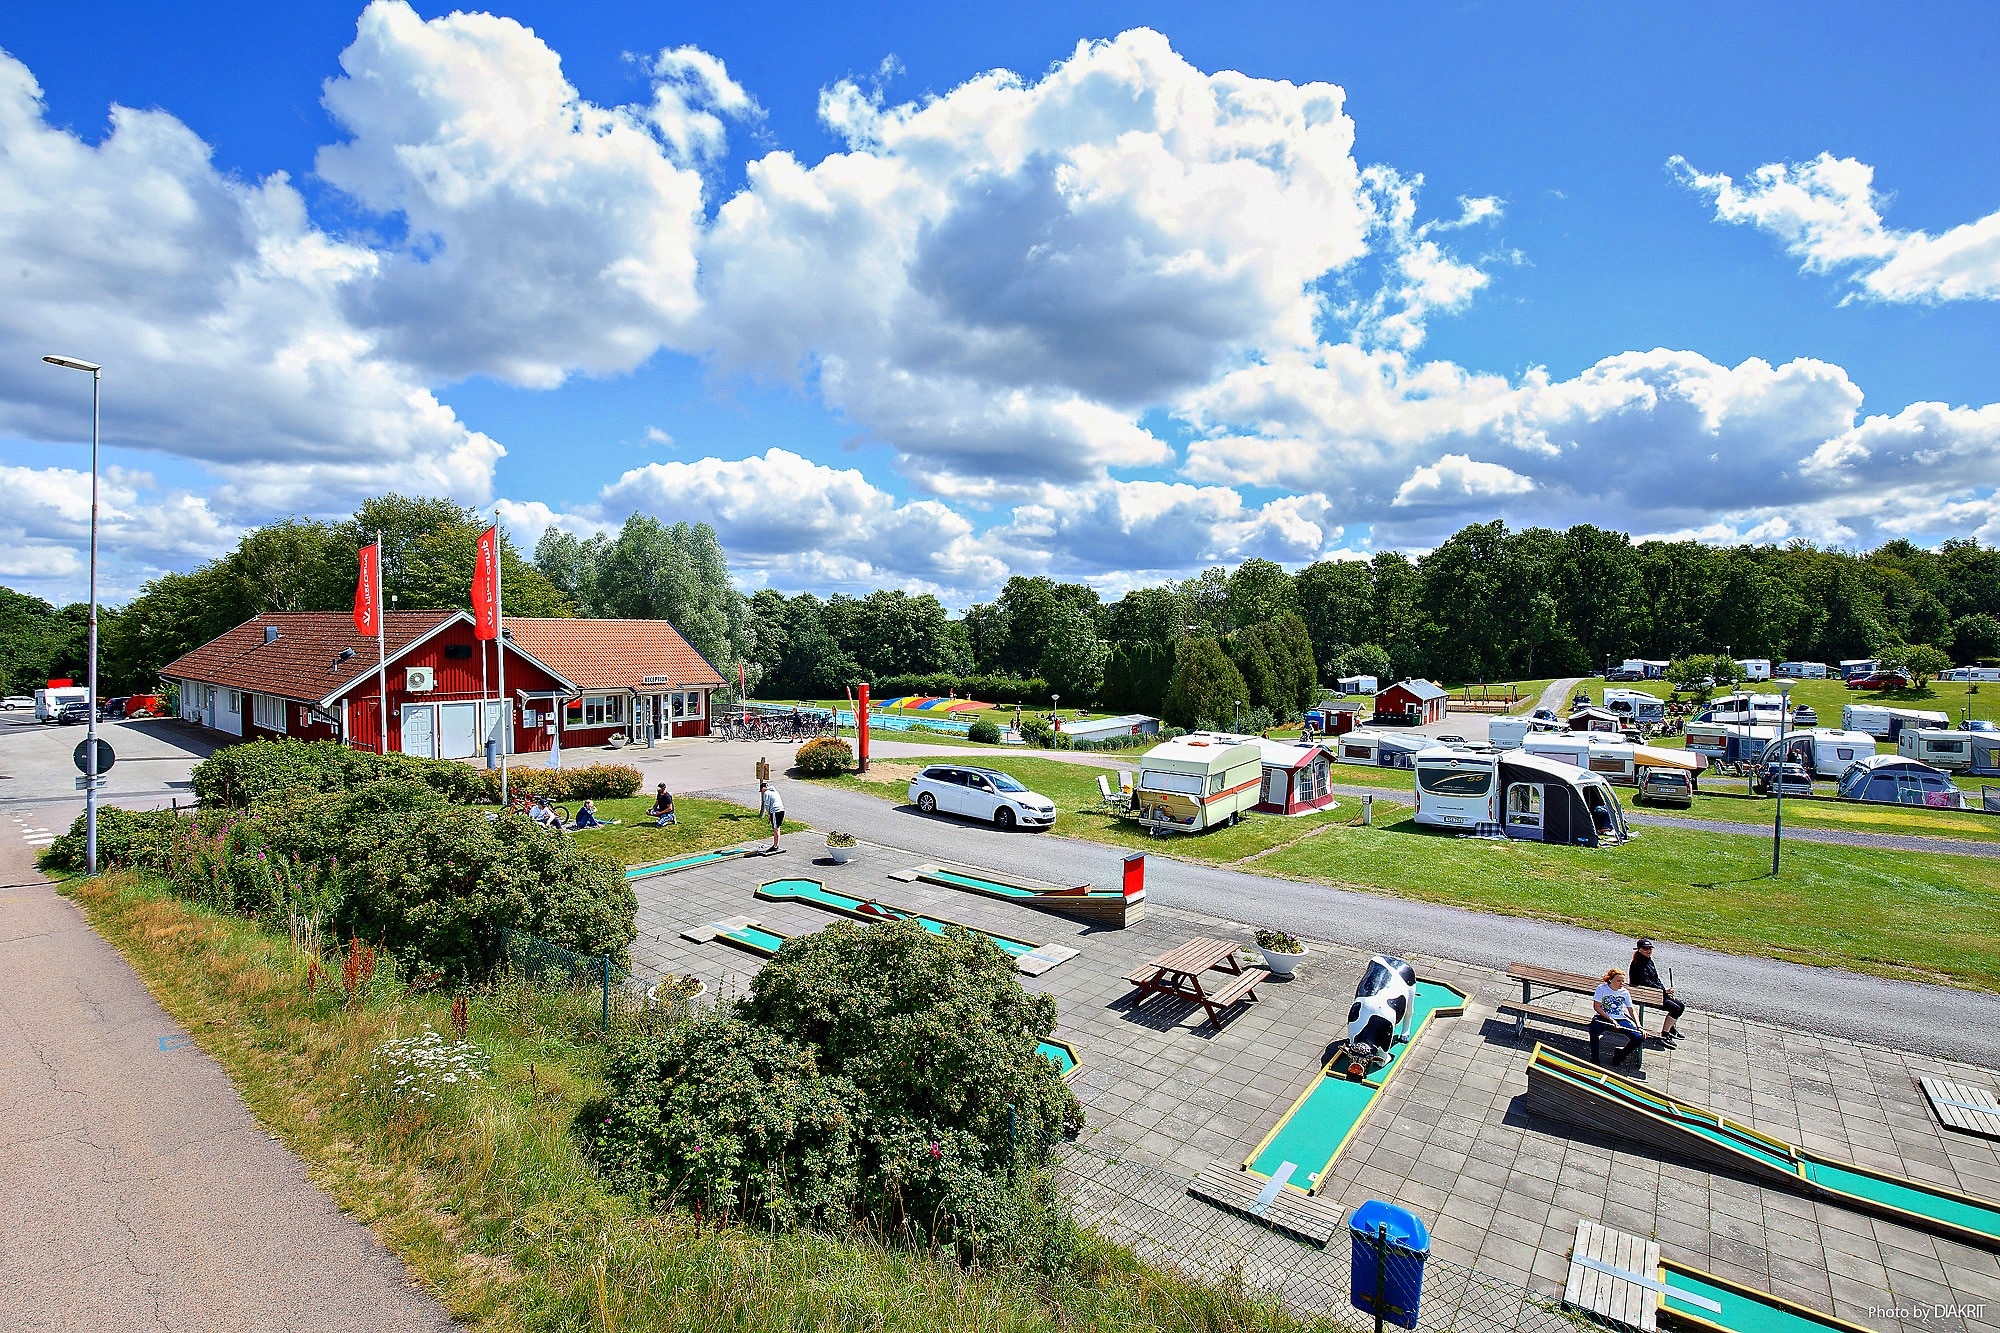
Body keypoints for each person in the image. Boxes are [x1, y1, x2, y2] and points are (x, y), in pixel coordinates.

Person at [1629, 939, 1684, 1047]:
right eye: (1645, 949)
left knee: (1681, 1006)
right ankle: (1664, 1034)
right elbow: (1645, 982)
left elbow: (1656, 979)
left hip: (1654, 992)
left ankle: (1670, 1028)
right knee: (1675, 1008)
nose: (1648, 951)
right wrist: (1663, 991)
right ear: (1639, 949)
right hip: (1645, 994)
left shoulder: (1648, 960)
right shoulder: (1639, 963)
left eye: (1650, 948)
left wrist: (1665, 991)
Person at [1590, 968, 1644, 1066]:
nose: (1621, 983)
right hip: (1603, 1016)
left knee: (1639, 1037)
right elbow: (1596, 1007)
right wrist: (1611, 1020)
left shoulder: (1625, 992)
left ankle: (1620, 1055)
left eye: (1623, 981)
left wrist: (1639, 1026)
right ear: (1610, 980)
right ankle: (1595, 1059)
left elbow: (1631, 1010)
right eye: (1618, 981)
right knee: (1594, 1030)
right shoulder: (1601, 988)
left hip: (1619, 1018)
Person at [759, 780, 785, 852]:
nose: (762, 792)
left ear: (763, 788)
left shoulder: (766, 793)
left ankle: (775, 846)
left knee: (775, 829)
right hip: (781, 810)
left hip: (775, 811)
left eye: (761, 791)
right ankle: (776, 844)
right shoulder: (775, 791)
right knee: (777, 828)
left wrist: (769, 814)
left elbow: (767, 805)